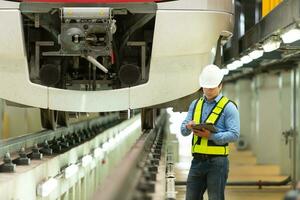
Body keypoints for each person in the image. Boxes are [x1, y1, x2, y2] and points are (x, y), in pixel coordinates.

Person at [181, 64, 240, 200]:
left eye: (212, 87)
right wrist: (188, 127)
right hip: (197, 161)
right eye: (206, 87)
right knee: (191, 197)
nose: (208, 90)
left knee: (215, 198)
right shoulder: (195, 104)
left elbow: (234, 134)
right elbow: (183, 130)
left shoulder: (229, 107)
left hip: (218, 163)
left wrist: (211, 136)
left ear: (220, 86)